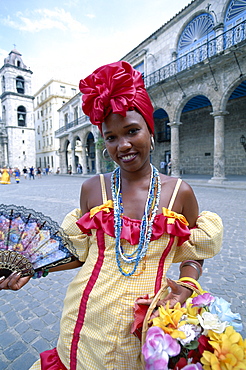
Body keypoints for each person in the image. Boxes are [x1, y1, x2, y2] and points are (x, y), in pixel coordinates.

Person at [0, 61, 223, 370]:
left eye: (132, 131)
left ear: (150, 130)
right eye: (111, 137)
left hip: (146, 327)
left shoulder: (179, 193)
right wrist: (33, 268)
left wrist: (185, 287)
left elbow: (197, 250)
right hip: (86, 320)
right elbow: (80, 255)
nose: (124, 145)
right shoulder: (93, 190)